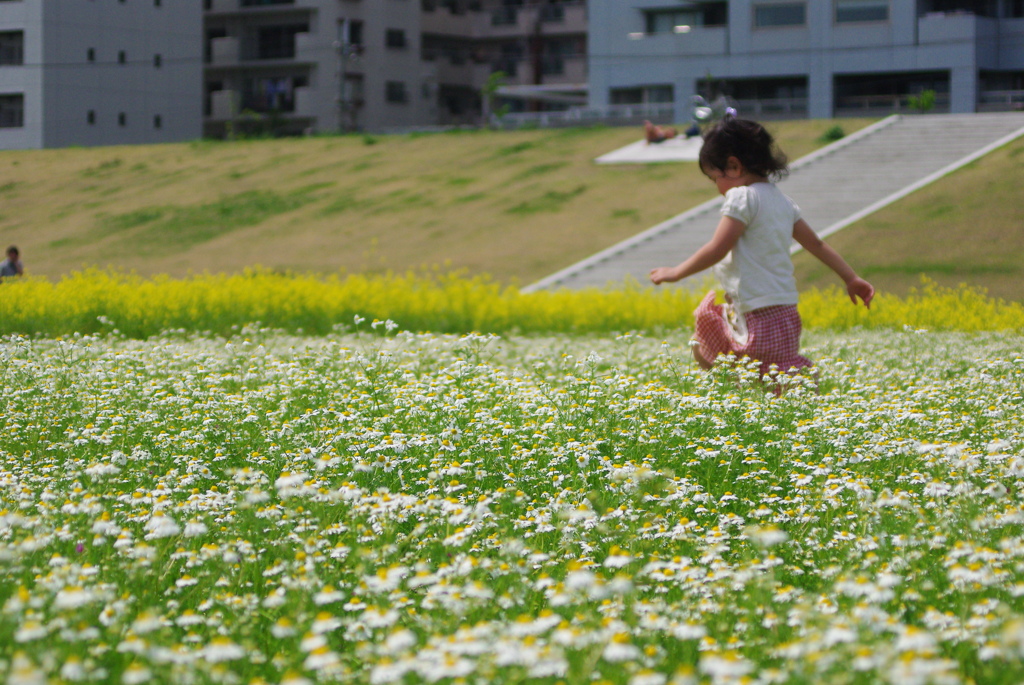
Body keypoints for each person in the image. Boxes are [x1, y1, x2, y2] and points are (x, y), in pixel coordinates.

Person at [649, 117, 874, 381]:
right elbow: (816, 244)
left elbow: (717, 248)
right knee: (769, 374)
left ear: (733, 166)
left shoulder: (743, 197)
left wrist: (675, 272)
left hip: (758, 314)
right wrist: (850, 277)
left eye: (714, 179)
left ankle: (741, 401)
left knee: (712, 352)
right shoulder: (782, 201)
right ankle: (767, 401)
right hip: (786, 314)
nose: (718, 189)